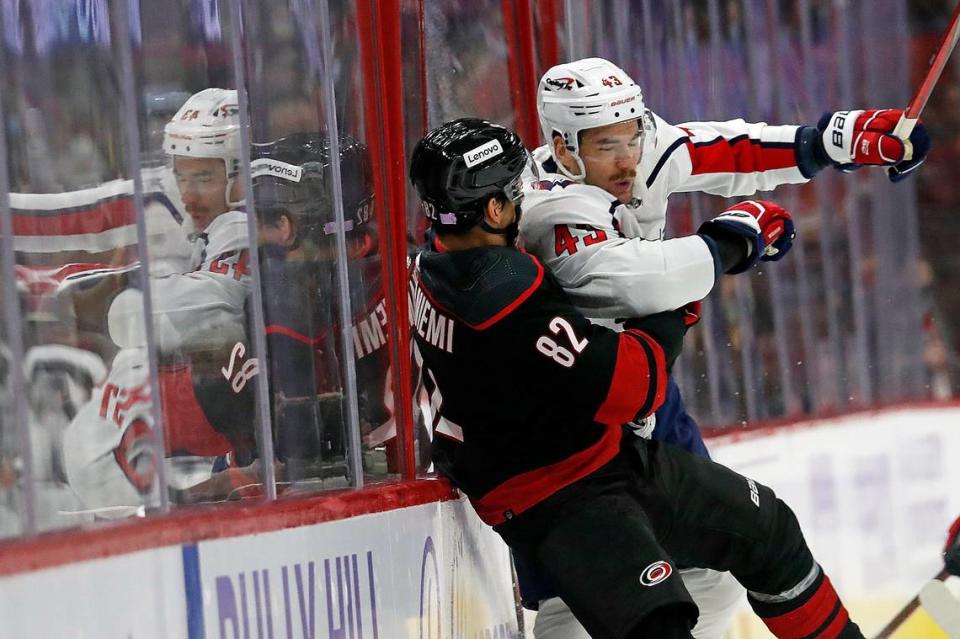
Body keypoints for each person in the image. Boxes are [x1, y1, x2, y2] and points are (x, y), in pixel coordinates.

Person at [517, 57, 932, 638]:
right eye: (607, 144)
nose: (629, 157)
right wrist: (732, 239)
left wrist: (838, 140)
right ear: (562, 147)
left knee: (713, 571)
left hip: (647, 400)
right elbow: (638, 282)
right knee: (576, 600)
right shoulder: (548, 208)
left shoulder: (634, 147)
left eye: (633, 133)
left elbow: (722, 150)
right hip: (570, 424)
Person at [408, 117, 864, 639]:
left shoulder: (434, 260)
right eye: (516, 191)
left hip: (595, 461)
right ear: (491, 209)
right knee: (658, 625)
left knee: (767, 528)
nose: (526, 198)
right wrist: (685, 290)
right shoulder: (501, 289)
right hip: (560, 498)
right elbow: (636, 387)